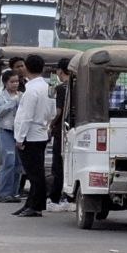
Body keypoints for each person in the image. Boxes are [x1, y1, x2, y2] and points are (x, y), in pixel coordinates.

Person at [12, 54, 55, 218]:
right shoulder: (47, 87)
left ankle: (36, 206)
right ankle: (30, 203)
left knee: (34, 174)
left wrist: (20, 138)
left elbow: (26, 116)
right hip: (41, 132)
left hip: (30, 136)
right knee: (35, 172)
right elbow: (51, 112)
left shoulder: (31, 90)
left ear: (27, 68)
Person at [0, 69, 24, 203]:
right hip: (6, 131)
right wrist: (13, 103)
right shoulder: (1, 97)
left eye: (17, 81)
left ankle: (13, 192)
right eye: (12, 82)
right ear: (5, 83)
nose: (15, 84)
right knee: (8, 161)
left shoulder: (22, 95)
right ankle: (2, 193)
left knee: (18, 164)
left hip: (19, 132)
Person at [46, 58, 73, 211]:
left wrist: (50, 124)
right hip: (74, 130)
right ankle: (68, 197)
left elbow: (58, 111)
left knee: (58, 166)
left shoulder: (61, 88)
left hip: (61, 131)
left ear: (60, 71)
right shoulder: (79, 86)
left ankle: (55, 198)